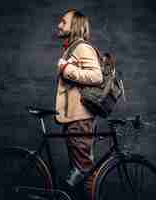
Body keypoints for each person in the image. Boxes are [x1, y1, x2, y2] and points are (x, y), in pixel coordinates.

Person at [55, 8, 103, 200]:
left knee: (85, 171)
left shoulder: (82, 48)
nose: (59, 25)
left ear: (74, 26)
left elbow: (97, 76)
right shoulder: (71, 48)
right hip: (73, 120)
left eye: (63, 22)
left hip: (80, 119)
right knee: (82, 170)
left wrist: (66, 69)